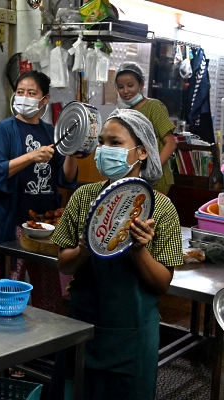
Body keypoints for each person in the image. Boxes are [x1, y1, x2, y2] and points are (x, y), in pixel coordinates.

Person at [48, 109, 183, 399]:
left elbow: (162, 284)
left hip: (132, 336)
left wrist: (139, 249)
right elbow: (64, 264)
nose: (104, 150)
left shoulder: (160, 208)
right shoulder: (84, 197)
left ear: (143, 152)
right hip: (82, 327)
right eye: (102, 143)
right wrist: (84, 249)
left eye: (115, 143)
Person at [0, 70, 78, 313]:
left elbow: (65, 179)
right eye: (20, 92)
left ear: (44, 100)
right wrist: (31, 156)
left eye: (31, 93)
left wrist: (72, 153)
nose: (24, 97)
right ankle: (5, 337)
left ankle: (49, 345)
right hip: (14, 223)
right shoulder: (3, 130)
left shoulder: (51, 133)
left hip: (46, 225)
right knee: (8, 288)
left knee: (48, 290)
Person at [115, 61, 177, 195]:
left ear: (141, 84)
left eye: (130, 85)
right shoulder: (125, 113)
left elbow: (171, 143)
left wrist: (153, 170)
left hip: (156, 180)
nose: (125, 91)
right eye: (121, 87)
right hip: (135, 177)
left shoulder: (154, 107)